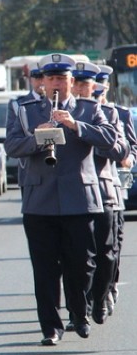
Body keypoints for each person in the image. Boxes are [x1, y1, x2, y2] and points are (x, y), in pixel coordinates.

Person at [5, 53, 116, 345]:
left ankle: (79, 313)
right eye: (51, 79)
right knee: (44, 268)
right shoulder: (24, 109)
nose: (56, 85)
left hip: (79, 198)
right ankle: (50, 328)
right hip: (39, 200)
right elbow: (13, 147)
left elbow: (109, 138)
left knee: (82, 264)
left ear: (71, 82)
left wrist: (75, 126)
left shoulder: (89, 108)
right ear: (43, 82)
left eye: (62, 80)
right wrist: (37, 138)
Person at [72, 63, 127, 327]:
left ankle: (102, 295)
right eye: (78, 84)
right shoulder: (58, 113)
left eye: (87, 84)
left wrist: (87, 135)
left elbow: (120, 150)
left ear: (96, 87)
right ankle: (79, 308)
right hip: (77, 192)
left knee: (106, 252)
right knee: (76, 255)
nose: (82, 89)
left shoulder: (107, 113)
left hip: (104, 191)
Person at [94, 66, 137, 314]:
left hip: (114, 190)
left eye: (100, 87)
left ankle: (108, 287)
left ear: (106, 88)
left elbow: (131, 147)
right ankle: (87, 298)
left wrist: (128, 158)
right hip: (85, 192)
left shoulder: (119, 113)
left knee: (111, 246)